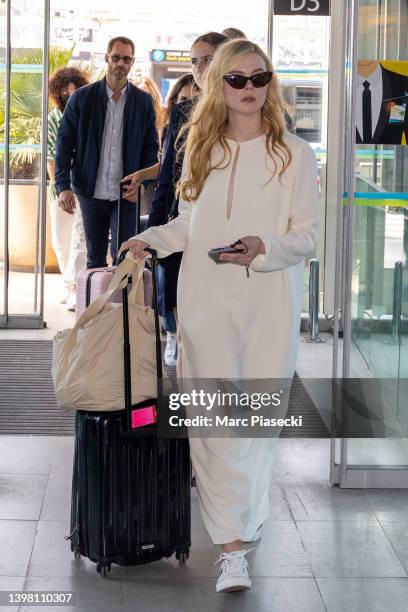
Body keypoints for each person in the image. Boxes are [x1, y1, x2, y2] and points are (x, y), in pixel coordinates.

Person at [120, 39, 319, 593]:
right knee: (211, 425)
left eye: (259, 78)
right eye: (237, 80)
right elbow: (189, 224)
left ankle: (242, 525)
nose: (250, 89)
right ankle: (232, 549)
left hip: (269, 304)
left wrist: (263, 246)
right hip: (204, 300)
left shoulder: (295, 155)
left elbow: (307, 236)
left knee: (254, 425)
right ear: (218, 86)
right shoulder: (200, 149)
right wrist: (149, 240)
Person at [122, 32, 228, 367]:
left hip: (227, 226)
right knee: (178, 284)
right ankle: (176, 337)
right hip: (181, 218)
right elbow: (168, 173)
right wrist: (152, 229)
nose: (199, 69)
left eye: (207, 59)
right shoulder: (183, 112)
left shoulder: (241, 109)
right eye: (194, 61)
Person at [55, 36, 159, 269]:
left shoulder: (143, 102)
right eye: (116, 57)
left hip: (127, 193)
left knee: (124, 257)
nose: (120, 63)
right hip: (90, 191)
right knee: (95, 257)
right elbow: (63, 144)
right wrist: (62, 187)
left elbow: (150, 148)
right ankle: (96, 305)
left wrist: (141, 184)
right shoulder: (82, 98)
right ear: (107, 58)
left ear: (132, 63)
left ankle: (120, 306)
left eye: (126, 59)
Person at [47, 66, 89, 310]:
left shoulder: (86, 114)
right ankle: (68, 282)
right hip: (61, 188)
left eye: (75, 91)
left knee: (79, 239)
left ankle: (76, 287)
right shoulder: (54, 118)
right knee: (61, 241)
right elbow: (53, 156)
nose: (70, 95)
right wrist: (60, 188)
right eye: (66, 91)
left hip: (82, 187)